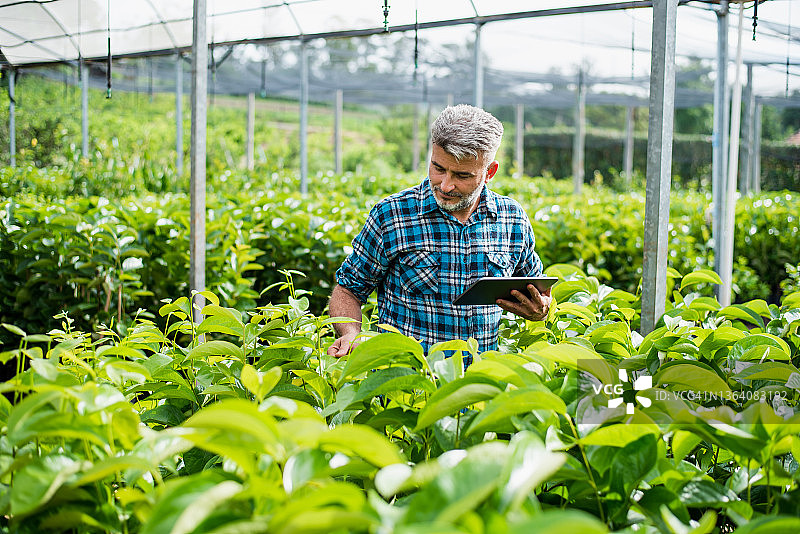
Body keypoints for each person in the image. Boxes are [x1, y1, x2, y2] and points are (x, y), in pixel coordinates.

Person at [327, 104, 551, 362]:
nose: (445, 185)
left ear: (489, 172)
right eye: (438, 168)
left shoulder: (511, 219)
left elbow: (537, 290)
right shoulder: (392, 215)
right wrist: (350, 332)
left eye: (462, 175)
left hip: (480, 384)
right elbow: (348, 290)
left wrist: (540, 310)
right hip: (408, 383)